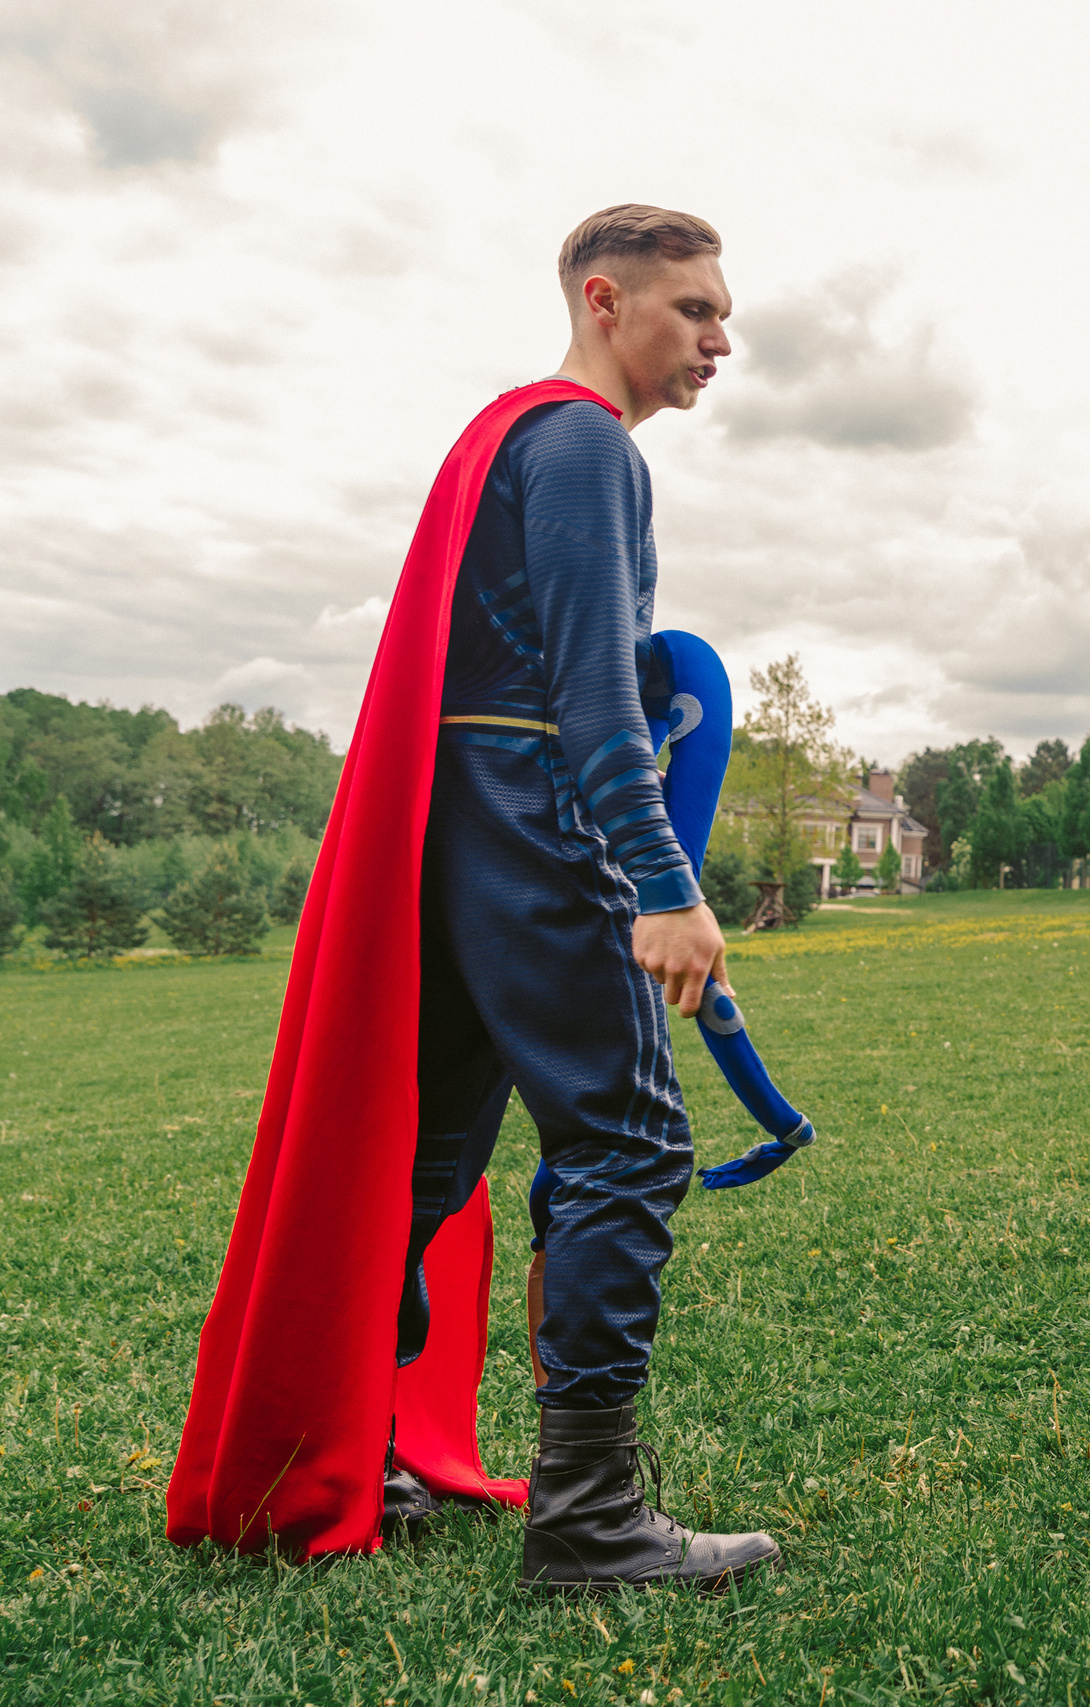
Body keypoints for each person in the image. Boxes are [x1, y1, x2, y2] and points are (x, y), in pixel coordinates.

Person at [167, 204, 778, 1589]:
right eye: (695, 310)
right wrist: (663, 882)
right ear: (605, 299)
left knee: (427, 1163)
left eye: (724, 314)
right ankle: (590, 1516)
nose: (719, 339)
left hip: (455, 842)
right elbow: (594, 700)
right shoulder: (578, 443)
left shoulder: (513, 439)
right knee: (627, 1140)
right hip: (539, 827)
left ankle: (341, 1451)